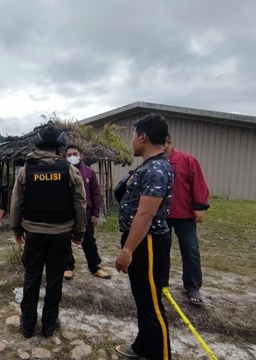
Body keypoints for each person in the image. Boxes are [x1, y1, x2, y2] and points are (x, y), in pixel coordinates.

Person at [10, 125, 87, 338]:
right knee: (54, 280)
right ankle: (49, 325)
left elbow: (16, 203)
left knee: (31, 277)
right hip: (61, 235)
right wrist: (80, 231)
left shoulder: (25, 171)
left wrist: (16, 228)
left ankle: (27, 325)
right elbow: (80, 203)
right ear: (58, 147)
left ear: (39, 145)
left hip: (33, 235)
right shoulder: (70, 170)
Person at [114, 113, 173, 359]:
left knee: (151, 304)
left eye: (133, 136)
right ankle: (143, 346)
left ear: (143, 136)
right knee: (143, 299)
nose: (131, 141)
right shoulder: (149, 166)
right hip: (140, 239)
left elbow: (145, 215)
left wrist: (127, 251)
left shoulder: (157, 169)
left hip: (146, 243)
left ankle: (160, 354)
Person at [164, 135, 210, 305]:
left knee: (190, 250)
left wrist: (199, 206)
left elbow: (199, 183)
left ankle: (193, 286)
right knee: (162, 251)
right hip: (162, 215)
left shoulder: (187, 160)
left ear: (169, 143)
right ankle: (162, 283)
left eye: (163, 144)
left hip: (184, 215)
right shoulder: (154, 162)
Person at [63, 144, 111, 280]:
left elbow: (96, 193)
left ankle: (95, 266)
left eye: (75, 154)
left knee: (89, 239)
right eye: (69, 155)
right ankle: (68, 267)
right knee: (65, 240)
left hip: (86, 213)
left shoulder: (89, 172)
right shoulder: (63, 172)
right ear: (65, 157)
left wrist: (96, 212)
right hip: (67, 213)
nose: (72, 157)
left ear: (81, 155)